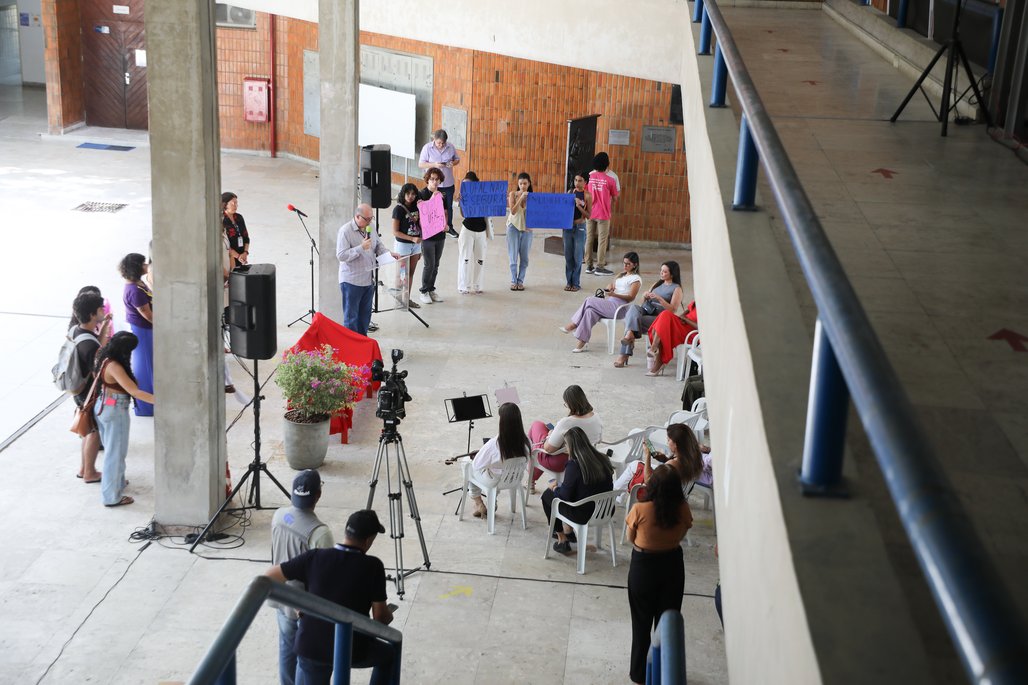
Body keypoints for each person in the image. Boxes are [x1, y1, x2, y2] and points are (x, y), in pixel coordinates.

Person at [264, 509, 396, 685]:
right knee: (389, 656)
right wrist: (389, 615)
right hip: (351, 647)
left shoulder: (315, 557)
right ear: (368, 540)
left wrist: (299, 603)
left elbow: (269, 576)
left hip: (311, 645)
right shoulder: (373, 567)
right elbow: (380, 617)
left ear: (346, 532)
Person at [625, 465, 694, 684]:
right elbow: (683, 531)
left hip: (643, 566)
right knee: (666, 623)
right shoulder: (682, 508)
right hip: (672, 564)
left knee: (641, 623)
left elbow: (630, 539)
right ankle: (665, 673)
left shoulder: (640, 509)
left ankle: (639, 674)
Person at [271, 470, 335, 685]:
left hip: (280, 597)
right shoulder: (320, 533)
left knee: (286, 650)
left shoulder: (279, 516)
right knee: (304, 658)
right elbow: (325, 578)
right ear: (318, 494)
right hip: (303, 608)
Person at [93, 331, 155, 507]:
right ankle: (111, 497)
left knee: (114, 451)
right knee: (115, 454)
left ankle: (117, 484)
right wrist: (162, 401)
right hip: (115, 409)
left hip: (103, 405)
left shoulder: (103, 356)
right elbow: (134, 391)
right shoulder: (115, 367)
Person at [541, 427, 615, 554]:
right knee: (573, 493)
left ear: (570, 446)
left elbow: (564, 496)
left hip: (583, 514)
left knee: (547, 496)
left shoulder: (574, 465)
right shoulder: (603, 458)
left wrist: (554, 487)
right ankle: (569, 532)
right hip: (605, 510)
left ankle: (562, 539)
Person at [558, 252, 641, 352]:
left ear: (635, 264)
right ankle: (582, 341)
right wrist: (609, 287)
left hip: (620, 307)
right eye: (624, 263)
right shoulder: (621, 275)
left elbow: (631, 297)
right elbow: (612, 287)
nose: (625, 266)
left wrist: (614, 295)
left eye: (628, 264)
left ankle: (574, 324)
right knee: (590, 311)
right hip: (610, 303)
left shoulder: (636, 279)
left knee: (589, 300)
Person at [336, 203, 397, 336]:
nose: (370, 221)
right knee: (351, 319)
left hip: (368, 280)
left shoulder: (371, 227)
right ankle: (351, 350)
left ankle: (362, 346)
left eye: (371, 218)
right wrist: (360, 248)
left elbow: (378, 245)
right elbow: (341, 255)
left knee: (364, 318)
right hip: (351, 282)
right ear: (357, 216)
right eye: (367, 219)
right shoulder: (345, 231)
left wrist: (387, 254)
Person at [71, 291, 112, 483]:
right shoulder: (89, 345)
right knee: (94, 433)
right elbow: (98, 372)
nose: (103, 310)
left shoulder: (78, 331)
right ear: (92, 314)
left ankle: (83, 468)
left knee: (87, 430)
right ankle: (90, 472)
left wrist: (103, 327)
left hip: (79, 391)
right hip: (90, 393)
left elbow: (97, 345)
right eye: (100, 309)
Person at [527, 385, 603, 489]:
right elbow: (599, 439)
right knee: (541, 440)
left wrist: (549, 436)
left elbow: (548, 449)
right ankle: (531, 479)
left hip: (565, 462)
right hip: (587, 458)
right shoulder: (596, 417)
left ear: (570, 404)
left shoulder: (567, 422)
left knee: (537, 427)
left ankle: (530, 478)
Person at [465, 402, 531, 519]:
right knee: (495, 471)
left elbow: (476, 465)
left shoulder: (494, 444)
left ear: (502, 422)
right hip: (515, 478)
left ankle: (478, 502)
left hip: (495, 481)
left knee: (469, 467)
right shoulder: (526, 441)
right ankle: (492, 502)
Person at [615, 261, 683, 368]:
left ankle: (623, 355)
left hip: (659, 320)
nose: (661, 273)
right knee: (633, 309)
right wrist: (645, 296)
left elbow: (672, 310)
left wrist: (659, 299)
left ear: (672, 274)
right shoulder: (657, 284)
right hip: (647, 311)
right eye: (661, 271)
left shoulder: (676, 288)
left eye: (664, 272)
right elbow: (642, 304)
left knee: (631, 323)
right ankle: (629, 336)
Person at [120, 252, 154, 417]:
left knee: (150, 366)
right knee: (146, 368)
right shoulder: (134, 291)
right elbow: (147, 315)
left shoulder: (138, 284)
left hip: (147, 330)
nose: (147, 266)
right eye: (144, 264)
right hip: (144, 331)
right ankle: (147, 407)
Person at [417, 129, 461, 238]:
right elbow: (421, 164)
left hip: (447, 183)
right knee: (432, 206)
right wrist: (434, 165)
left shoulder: (450, 147)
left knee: (448, 207)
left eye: (443, 143)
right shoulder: (427, 148)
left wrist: (452, 163)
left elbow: (457, 159)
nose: (441, 145)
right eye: (438, 143)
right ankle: (432, 227)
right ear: (434, 140)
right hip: (433, 185)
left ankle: (449, 227)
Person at [586, 152, 619, 276]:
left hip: (590, 212)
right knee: (602, 240)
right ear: (607, 165)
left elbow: (586, 193)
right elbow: (615, 198)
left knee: (589, 238)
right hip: (603, 214)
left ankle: (588, 265)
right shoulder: (610, 180)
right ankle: (600, 266)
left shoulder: (589, 177)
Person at [390, 183, 423, 309]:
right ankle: (399, 300)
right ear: (403, 194)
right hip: (403, 245)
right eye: (408, 193)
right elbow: (395, 231)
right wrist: (412, 238)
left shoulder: (418, 207)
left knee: (411, 273)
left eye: (413, 194)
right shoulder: (398, 209)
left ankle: (407, 299)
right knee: (402, 274)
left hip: (416, 245)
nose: (410, 196)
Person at [418, 168, 447, 304]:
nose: (435, 182)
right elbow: (424, 212)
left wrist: (446, 225)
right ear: (428, 180)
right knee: (429, 264)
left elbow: (445, 212)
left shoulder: (442, 195)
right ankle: (423, 291)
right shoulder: (422, 194)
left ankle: (431, 289)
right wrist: (433, 197)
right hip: (428, 236)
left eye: (437, 179)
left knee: (436, 264)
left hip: (440, 235)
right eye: (432, 179)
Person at [646, 300, 699, 376]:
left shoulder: (709, 308)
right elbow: (687, 310)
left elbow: (702, 328)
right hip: (682, 325)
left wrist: (686, 320)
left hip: (691, 333)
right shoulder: (697, 301)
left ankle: (654, 350)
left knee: (663, 323)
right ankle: (656, 352)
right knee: (664, 315)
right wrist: (682, 316)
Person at [456, 171, 488, 294]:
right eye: (464, 185)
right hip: (467, 230)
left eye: (468, 185)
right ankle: (463, 286)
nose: (466, 188)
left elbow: (489, 209)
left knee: (480, 259)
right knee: (465, 258)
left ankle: (478, 285)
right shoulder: (464, 196)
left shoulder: (483, 196)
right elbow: (464, 215)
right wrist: (461, 203)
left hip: (481, 231)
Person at [564, 172, 592, 292]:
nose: (577, 183)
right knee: (568, 255)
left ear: (585, 182)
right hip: (568, 227)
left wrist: (580, 206)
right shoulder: (569, 193)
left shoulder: (587, 196)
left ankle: (576, 282)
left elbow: (588, 215)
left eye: (580, 180)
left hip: (580, 226)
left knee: (578, 255)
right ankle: (568, 281)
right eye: (575, 180)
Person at [506, 172, 533, 291]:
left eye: (525, 183)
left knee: (525, 257)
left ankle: (520, 280)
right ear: (518, 184)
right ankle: (513, 280)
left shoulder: (532, 197)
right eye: (521, 183)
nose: (523, 186)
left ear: (529, 184)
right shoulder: (513, 194)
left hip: (526, 229)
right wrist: (521, 197)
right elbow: (513, 211)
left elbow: (537, 214)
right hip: (513, 227)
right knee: (513, 255)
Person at [222, 192, 250, 268]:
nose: (236, 205)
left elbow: (246, 237)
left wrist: (245, 252)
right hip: (229, 259)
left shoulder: (239, 217)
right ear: (225, 205)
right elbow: (223, 244)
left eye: (236, 203)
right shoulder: (221, 220)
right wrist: (238, 256)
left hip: (242, 257)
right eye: (233, 203)